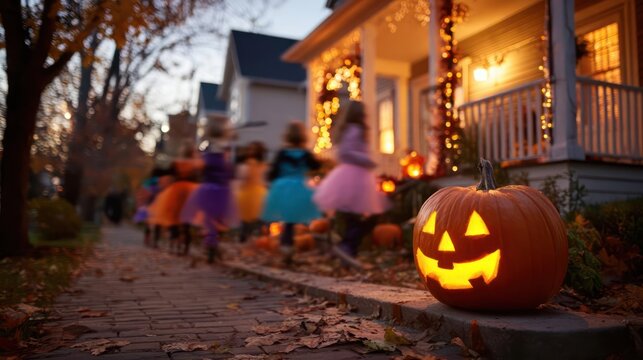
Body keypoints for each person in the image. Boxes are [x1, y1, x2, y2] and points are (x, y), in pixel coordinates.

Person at [313, 101, 390, 267]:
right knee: (363, 216)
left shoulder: (350, 129)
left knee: (355, 217)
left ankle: (348, 250)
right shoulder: (356, 129)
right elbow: (345, 153)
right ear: (359, 114)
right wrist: (367, 161)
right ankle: (347, 246)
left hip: (356, 175)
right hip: (354, 176)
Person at [262, 121, 321, 258]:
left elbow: (273, 172)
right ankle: (291, 245)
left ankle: (286, 245)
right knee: (297, 218)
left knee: (287, 219)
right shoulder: (306, 154)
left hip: (283, 187)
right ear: (303, 136)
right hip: (300, 187)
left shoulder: (282, 153)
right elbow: (315, 166)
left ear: (287, 136)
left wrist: (271, 179)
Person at [180, 123, 237, 263]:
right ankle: (213, 243)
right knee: (218, 218)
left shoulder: (207, 148)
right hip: (222, 188)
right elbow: (229, 169)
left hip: (209, 187)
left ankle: (211, 243)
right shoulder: (225, 150)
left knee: (209, 218)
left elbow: (200, 167)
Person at [147, 142, 200, 254]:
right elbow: (198, 178)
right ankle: (185, 245)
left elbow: (170, 175)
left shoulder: (176, 163)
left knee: (174, 216)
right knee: (187, 219)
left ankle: (174, 241)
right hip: (190, 192)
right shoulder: (195, 164)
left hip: (177, 192)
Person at [235, 141, 268, 243]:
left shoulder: (253, 164)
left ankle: (249, 236)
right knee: (249, 217)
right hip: (252, 191)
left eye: (252, 149)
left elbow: (244, 176)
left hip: (252, 191)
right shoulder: (259, 164)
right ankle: (249, 236)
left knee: (249, 217)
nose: (250, 151)